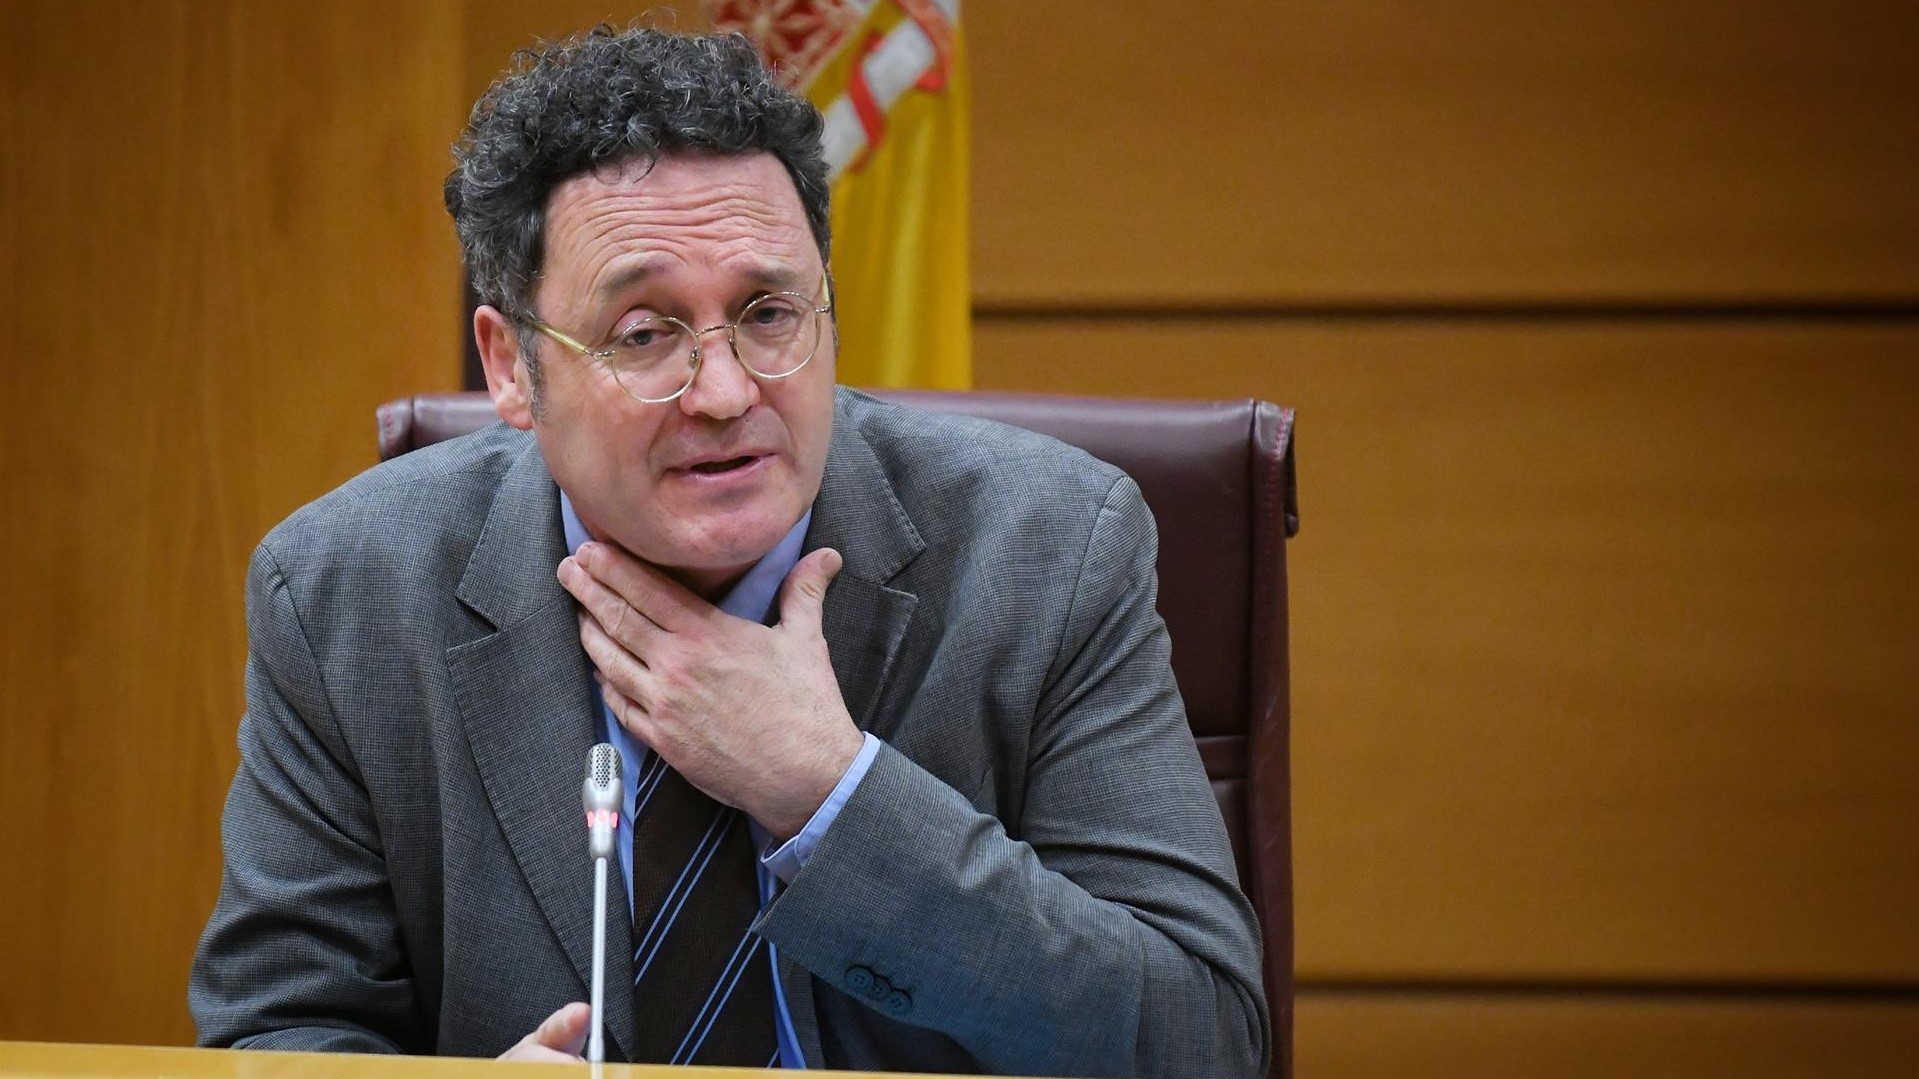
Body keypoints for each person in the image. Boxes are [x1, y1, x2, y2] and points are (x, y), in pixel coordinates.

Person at [190, 25, 1267, 1077]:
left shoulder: (1050, 551)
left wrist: (831, 792)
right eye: (645, 333)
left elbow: (1199, 1036)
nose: (725, 392)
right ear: (510, 366)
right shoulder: (344, 595)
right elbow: (275, 1030)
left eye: (766, 312)